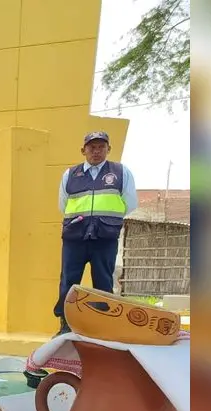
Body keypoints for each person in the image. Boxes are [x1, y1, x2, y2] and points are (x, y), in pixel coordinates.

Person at [54, 131, 138, 335]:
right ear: (84, 150)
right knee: (68, 280)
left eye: (101, 146)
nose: (96, 151)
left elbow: (130, 204)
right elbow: (63, 205)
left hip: (105, 236)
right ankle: (66, 324)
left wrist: (105, 219)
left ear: (108, 149)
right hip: (75, 236)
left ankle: (103, 325)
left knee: (103, 281)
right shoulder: (70, 174)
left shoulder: (121, 172)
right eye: (92, 147)